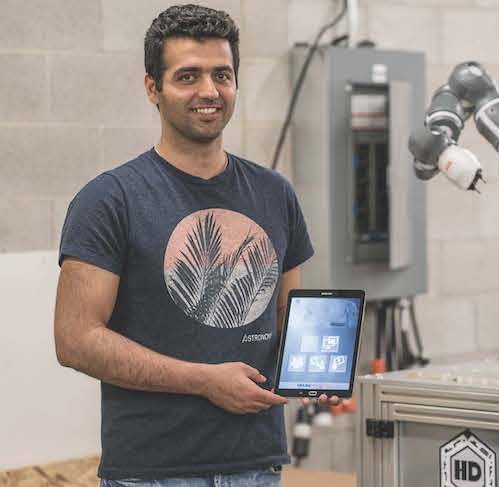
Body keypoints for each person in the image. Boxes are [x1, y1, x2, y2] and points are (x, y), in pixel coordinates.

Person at [53, 4, 335, 485]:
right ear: (153, 89)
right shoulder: (110, 199)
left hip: (256, 466)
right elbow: (75, 340)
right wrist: (203, 381)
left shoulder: (274, 193)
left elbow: (287, 316)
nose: (209, 91)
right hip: (153, 472)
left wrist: (319, 367)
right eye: (188, 76)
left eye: (221, 75)